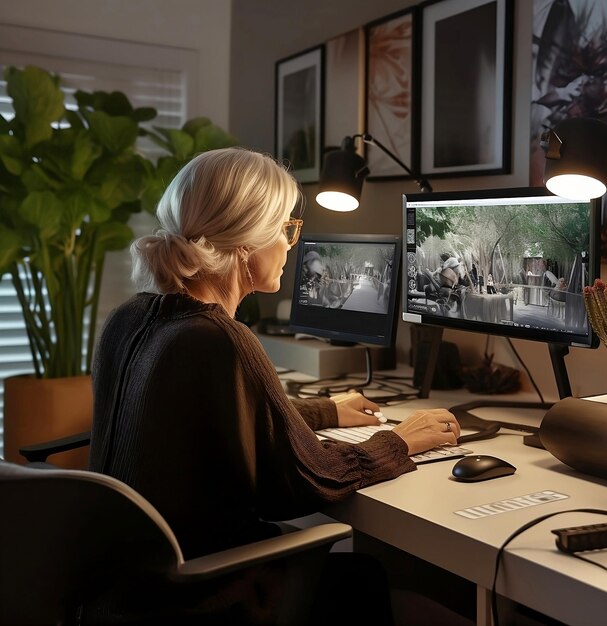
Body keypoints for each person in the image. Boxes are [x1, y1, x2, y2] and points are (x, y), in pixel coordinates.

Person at [89, 147, 460, 623]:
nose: (291, 245)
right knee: (366, 578)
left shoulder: (131, 318)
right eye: (286, 228)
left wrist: (326, 410)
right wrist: (398, 442)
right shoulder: (221, 339)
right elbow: (307, 479)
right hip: (205, 598)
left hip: (122, 596)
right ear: (246, 245)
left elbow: (220, 419)